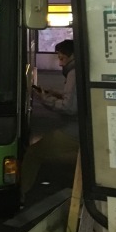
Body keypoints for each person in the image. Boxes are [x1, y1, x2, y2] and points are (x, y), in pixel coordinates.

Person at [21, 39, 78, 197]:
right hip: (80, 128)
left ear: (71, 56)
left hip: (75, 130)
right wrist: (56, 93)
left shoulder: (74, 72)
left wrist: (45, 99)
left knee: (34, 153)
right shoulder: (80, 68)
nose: (60, 64)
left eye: (62, 58)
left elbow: (69, 107)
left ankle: (20, 194)